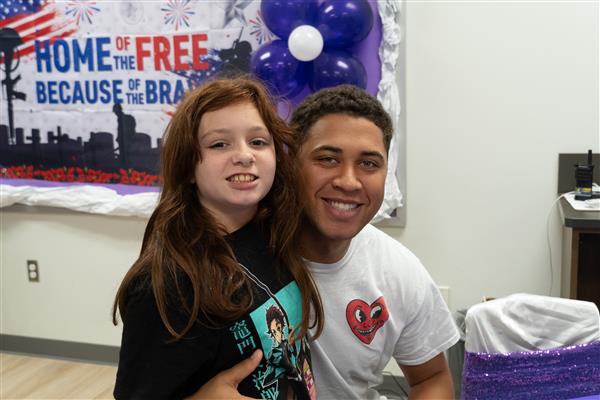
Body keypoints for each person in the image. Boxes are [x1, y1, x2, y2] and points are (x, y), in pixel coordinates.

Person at [194, 84, 459, 399]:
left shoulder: (398, 270)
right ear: (291, 163)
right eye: (328, 159)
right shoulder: (231, 260)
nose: (348, 181)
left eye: (369, 164)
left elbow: (432, 378)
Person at [112, 77, 324, 400]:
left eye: (258, 142)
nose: (244, 156)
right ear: (186, 167)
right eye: (219, 144)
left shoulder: (271, 235)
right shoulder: (168, 285)